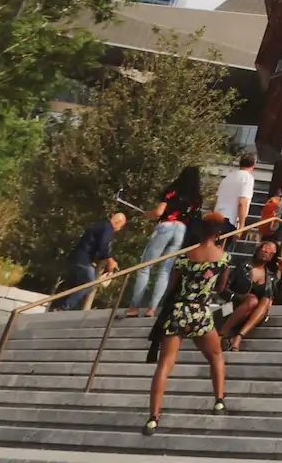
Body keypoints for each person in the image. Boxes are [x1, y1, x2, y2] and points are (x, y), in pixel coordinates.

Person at [144, 211, 231, 435]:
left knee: (165, 364)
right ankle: (219, 401)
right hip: (200, 311)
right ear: (219, 232)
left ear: (201, 230)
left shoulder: (184, 256)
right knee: (215, 356)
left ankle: (153, 417)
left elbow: (172, 284)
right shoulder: (223, 258)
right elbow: (221, 288)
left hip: (178, 310)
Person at [127, 167, 201, 316]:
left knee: (145, 266)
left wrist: (148, 214)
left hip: (166, 225)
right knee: (165, 271)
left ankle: (134, 307)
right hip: (181, 230)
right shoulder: (196, 197)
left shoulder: (173, 190)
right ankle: (152, 309)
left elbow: (159, 212)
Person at [53, 211, 125, 310]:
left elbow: (91, 244)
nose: (119, 229)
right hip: (82, 259)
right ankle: (63, 307)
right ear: (118, 222)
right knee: (89, 284)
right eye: (121, 226)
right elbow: (103, 246)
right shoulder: (108, 228)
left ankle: (55, 306)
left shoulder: (101, 225)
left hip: (76, 258)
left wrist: (92, 261)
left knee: (73, 286)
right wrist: (110, 260)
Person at [220, 240, 279, 352]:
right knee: (252, 300)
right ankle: (222, 333)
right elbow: (222, 290)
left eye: (271, 252)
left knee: (265, 299)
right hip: (232, 309)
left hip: (256, 315)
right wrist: (239, 297)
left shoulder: (270, 276)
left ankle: (238, 337)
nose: (267, 252)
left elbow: (280, 294)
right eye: (265, 248)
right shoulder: (243, 267)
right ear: (258, 249)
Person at [212, 152, 258, 234]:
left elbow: (216, 199)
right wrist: (241, 227)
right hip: (229, 220)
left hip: (216, 217)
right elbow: (242, 202)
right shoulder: (247, 178)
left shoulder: (228, 177)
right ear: (253, 165)